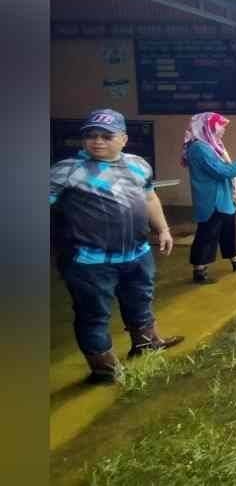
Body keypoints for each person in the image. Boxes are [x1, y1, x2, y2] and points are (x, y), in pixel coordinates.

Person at [49, 109, 183, 384]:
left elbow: (149, 198)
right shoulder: (67, 171)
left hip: (137, 254)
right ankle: (104, 370)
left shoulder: (138, 165)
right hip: (90, 262)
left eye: (106, 136)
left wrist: (164, 229)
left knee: (140, 301)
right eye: (91, 135)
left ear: (123, 139)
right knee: (93, 314)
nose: (98, 141)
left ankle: (146, 344)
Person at [181, 112, 236, 284]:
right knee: (207, 233)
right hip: (212, 199)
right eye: (220, 126)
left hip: (222, 197)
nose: (223, 130)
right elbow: (223, 171)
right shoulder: (199, 148)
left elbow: (225, 168)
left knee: (228, 229)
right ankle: (199, 271)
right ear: (207, 127)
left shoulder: (212, 145)